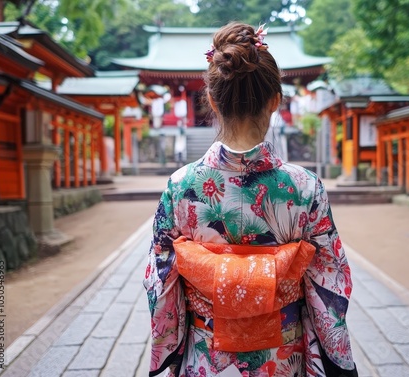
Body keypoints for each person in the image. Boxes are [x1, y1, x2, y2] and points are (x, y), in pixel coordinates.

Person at [143, 22, 359, 377]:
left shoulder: (179, 187)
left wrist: (169, 347)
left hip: (206, 358)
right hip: (283, 358)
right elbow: (328, 282)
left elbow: (161, 282)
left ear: (212, 99)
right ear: (275, 100)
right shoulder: (305, 187)